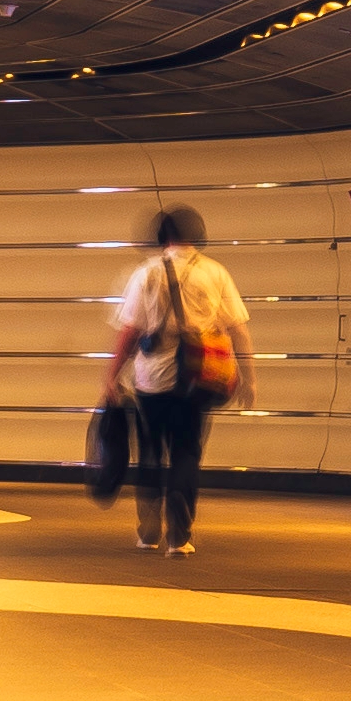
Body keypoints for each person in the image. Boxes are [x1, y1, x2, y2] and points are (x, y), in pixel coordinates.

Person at [108, 206, 250, 552]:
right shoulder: (215, 273)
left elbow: (130, 332)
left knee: (151, 452)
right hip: (197, 377)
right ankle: (179, 535)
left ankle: (147, 529)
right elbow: (237, 329)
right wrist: (249, 376)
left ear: (161, 235)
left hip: (151, 379)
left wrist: (111, 377)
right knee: (187, 451)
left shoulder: (146, 274)